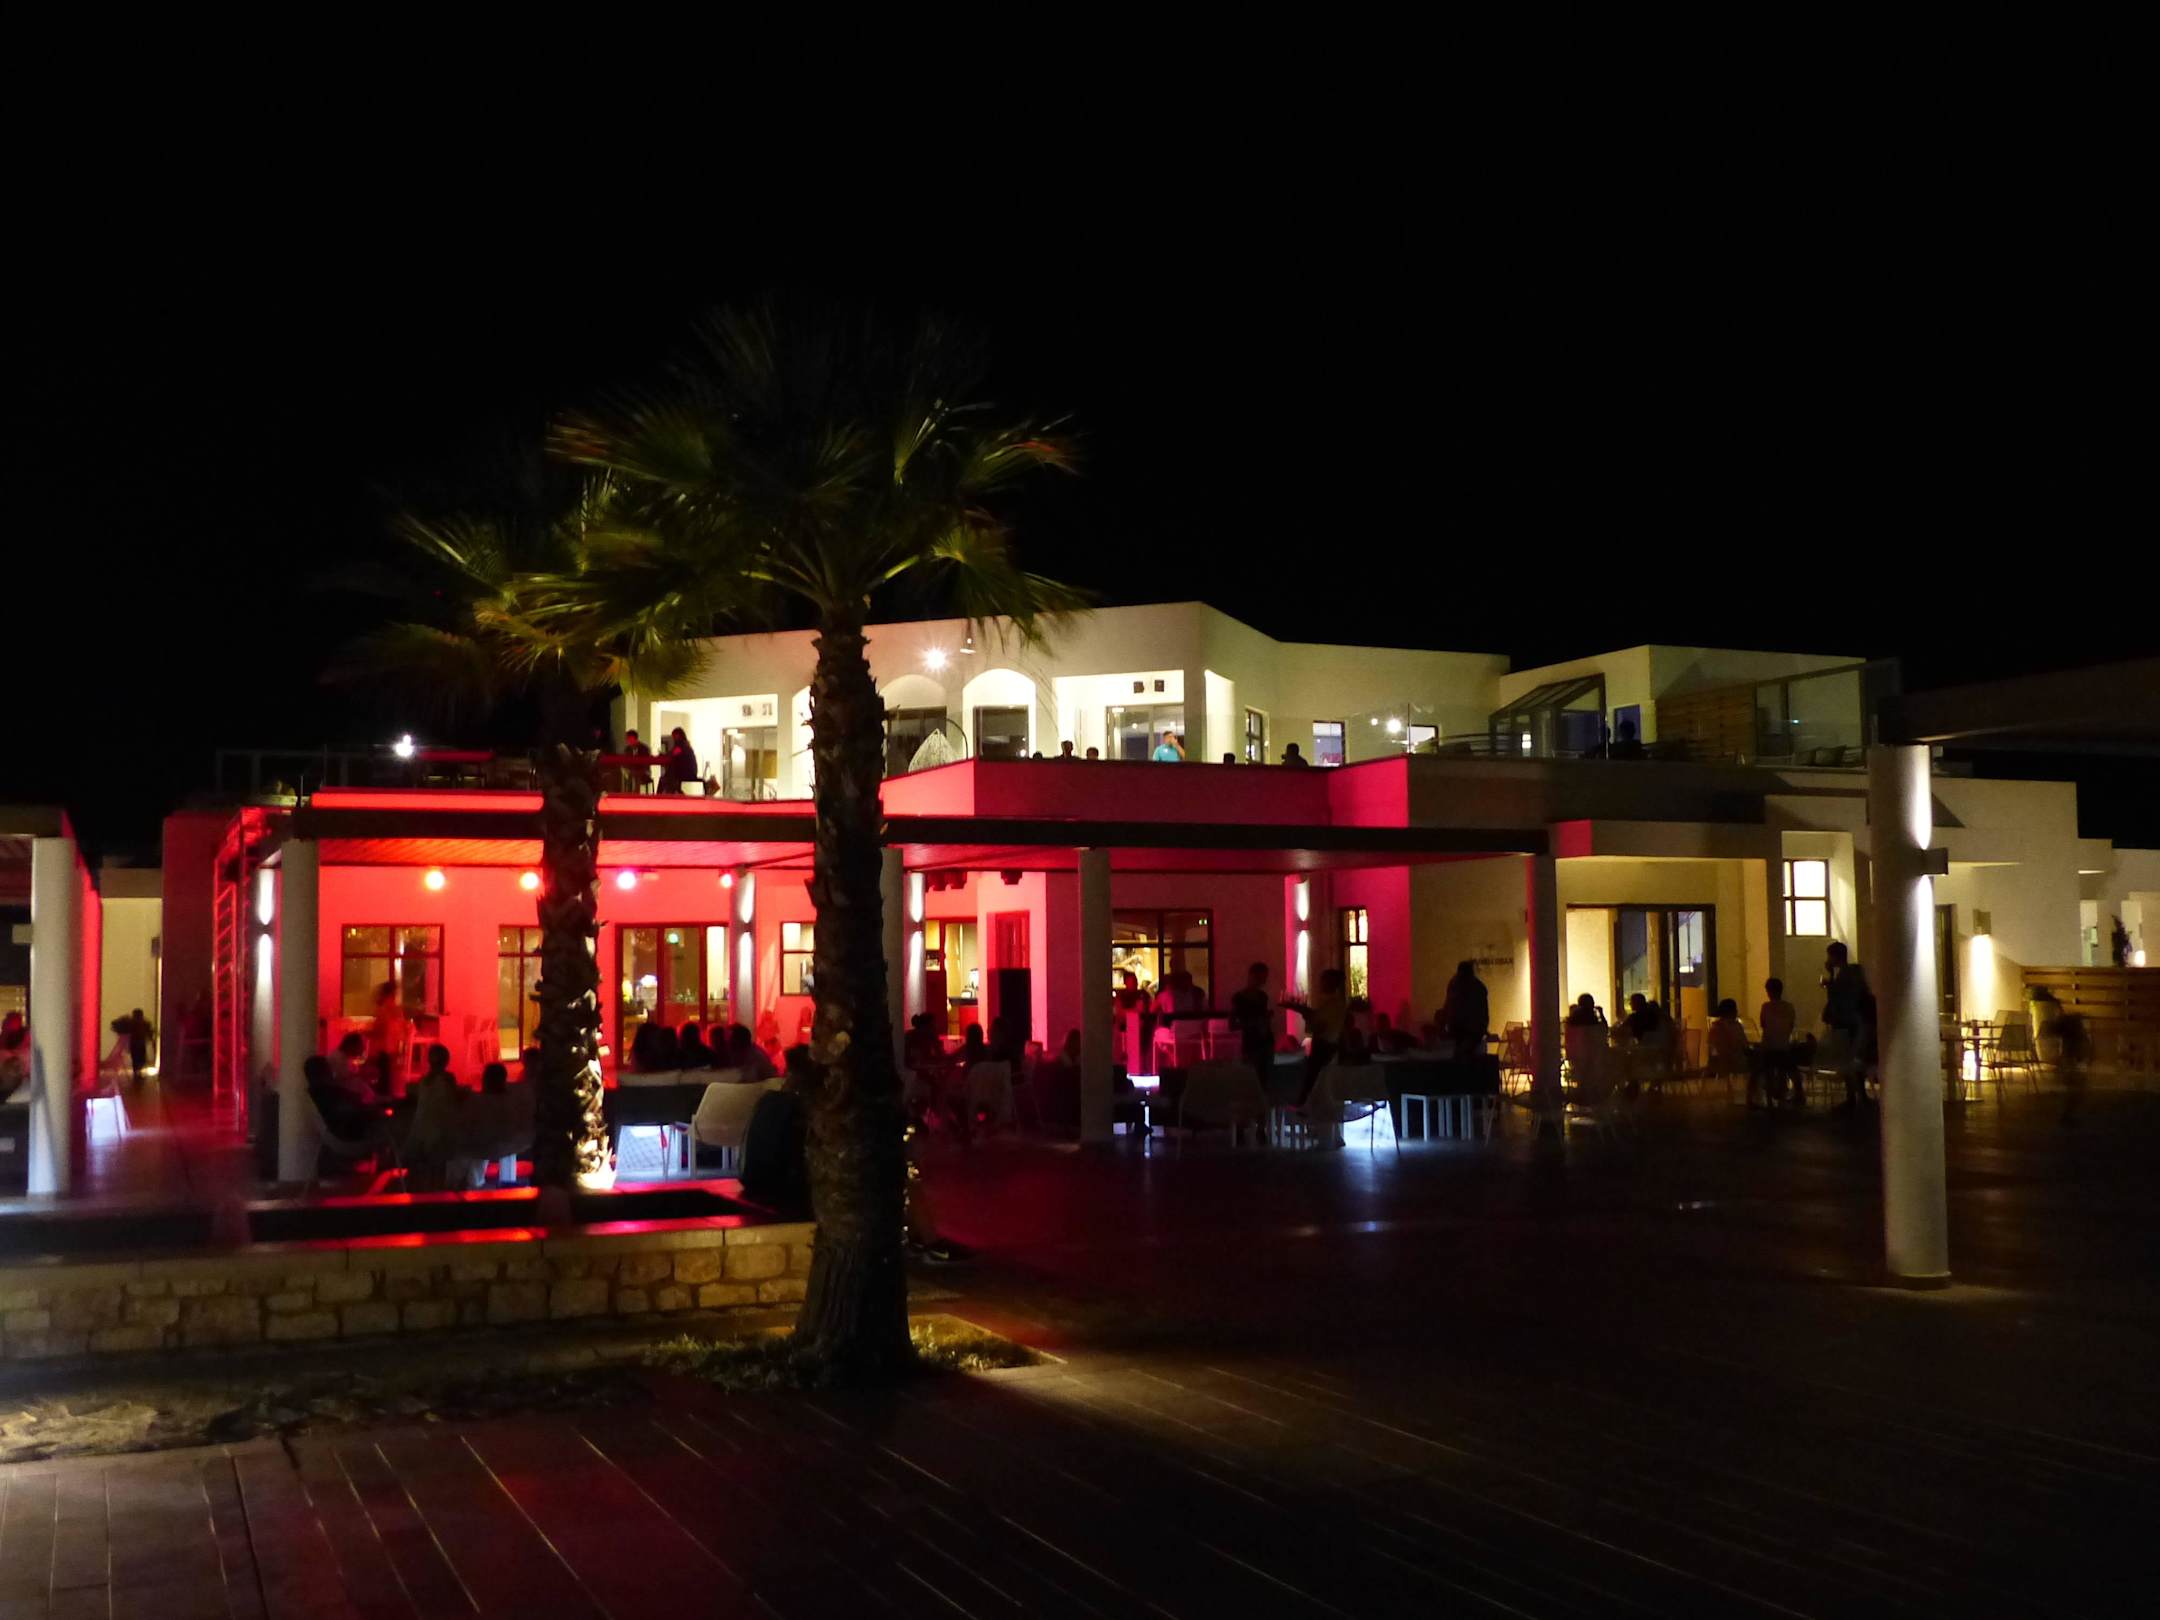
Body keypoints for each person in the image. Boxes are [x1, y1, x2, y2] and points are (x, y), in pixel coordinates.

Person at [1281, 967, 1348, 1103]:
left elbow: (1319, 1026)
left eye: (1323, 981)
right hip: (1327, 1046)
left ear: (1330, 983)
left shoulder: (1333, 1005)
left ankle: (1305, 1106)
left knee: (1314, 1081)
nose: (1320, 984)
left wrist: (1302, 1011)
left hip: (1324, 1047)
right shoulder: (1333, 1003)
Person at [1820, 943, 1867, 1109]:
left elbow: (1837, 997)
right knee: (1852, 1058)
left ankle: (1852, 1096)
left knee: (1846, 1058)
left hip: (1845, 1021)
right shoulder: (1855, 973)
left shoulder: (1845, 974)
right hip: (1853, 1020)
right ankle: (1860, 1095)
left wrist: (1830, 978)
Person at [1229, 961, 1275, 1091]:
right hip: (1252, 1043)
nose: (1264, 980)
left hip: (1265, 1041)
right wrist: (1256, 1022)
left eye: (1265, 977)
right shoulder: (1239, 998)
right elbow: (1232, 1025)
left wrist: (1265, 1018)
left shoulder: (1262, 996)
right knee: (1253, 1080)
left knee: (1264, 1079)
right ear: (1252, 976)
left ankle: (1262, 1100)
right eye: (1261, 977)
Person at [1755, 977, 1797, 1107]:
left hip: (1769, 1047)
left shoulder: (1766, 1007)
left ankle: (1768, 1098)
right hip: (1784, 1047)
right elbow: (1791, 1026)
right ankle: (1783, 1095)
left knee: (1766, 1070)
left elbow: (1763, 1025)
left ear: (1768, 991)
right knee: (1784, 1069)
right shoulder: (1789, 1007)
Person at [1438, 961, 1491, 1058]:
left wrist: (1445, 1023)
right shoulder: (1478, 987)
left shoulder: (1454, 985)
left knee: (1460, 1056)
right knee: (1470, 1057)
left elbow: (1449, 1005)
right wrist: (1483, 1029)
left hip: (1460, 1029)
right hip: (1472, 1031)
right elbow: (1483, 1012)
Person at [370, 980, 408, 1096]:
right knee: (391, 1078)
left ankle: (383, 1095)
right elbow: (403, 1030)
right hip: (396, 1049)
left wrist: (365, 1033)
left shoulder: (383, 1010)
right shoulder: (398, 1011)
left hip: (385, 1051)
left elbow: (378, 1031)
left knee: (383, 1078)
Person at [1706, 998, 1749, 1078]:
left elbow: (1711, 1046)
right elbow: (1745, 1044)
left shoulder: (1715, 1027)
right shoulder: (1736, 1026)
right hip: (1736, 1062)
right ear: (1732, 1012)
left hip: (1718, 1063)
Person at [116, 1008, 154, 1085]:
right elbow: (148, 1033)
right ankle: (137, 1073)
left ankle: (137, 1072)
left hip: (137, 1043)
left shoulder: (136, 1023)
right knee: (138, 1058)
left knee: (138, 1058)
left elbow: (148, 1033)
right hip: (137, 1043)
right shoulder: (140, 1023)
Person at [658, 726, 698, 795]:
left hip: (686, 772)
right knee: (669, 773)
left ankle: (665, 794)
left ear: (679, 735)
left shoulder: (681, 745)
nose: (673, 737)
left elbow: (672, 754)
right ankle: (675, 791)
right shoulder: (685, 744)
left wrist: (664, 755)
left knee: (666, 777)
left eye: (674, 735)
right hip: (689, 771)